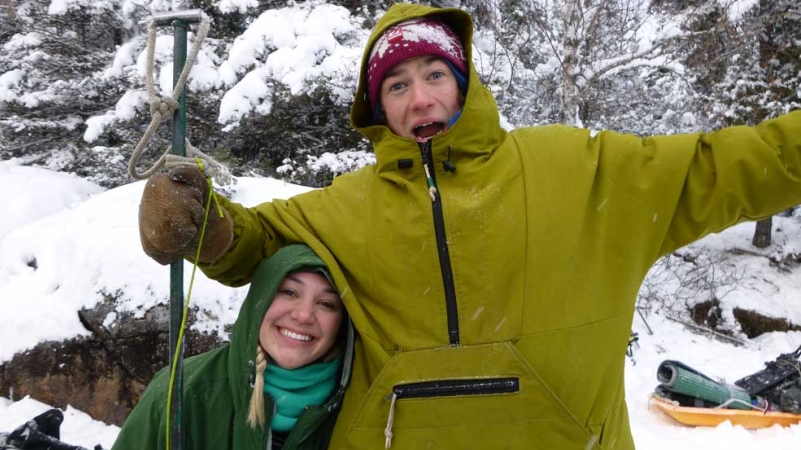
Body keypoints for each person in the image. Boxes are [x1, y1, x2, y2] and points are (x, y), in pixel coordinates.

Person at [137, 3, 801, 449]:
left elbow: (734, 166)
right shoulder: (344, 207)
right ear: (377, 106)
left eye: (433, 74)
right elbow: (252, 244)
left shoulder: (584, 171)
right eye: (395, 85)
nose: (420, 97)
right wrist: (199, 222)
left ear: (464, 83)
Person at [111, 244, 353, 450]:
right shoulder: (179, 393)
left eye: (326, 303)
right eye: (289, 292)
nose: (303, 315)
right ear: (259, 299)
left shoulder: (365, 406)